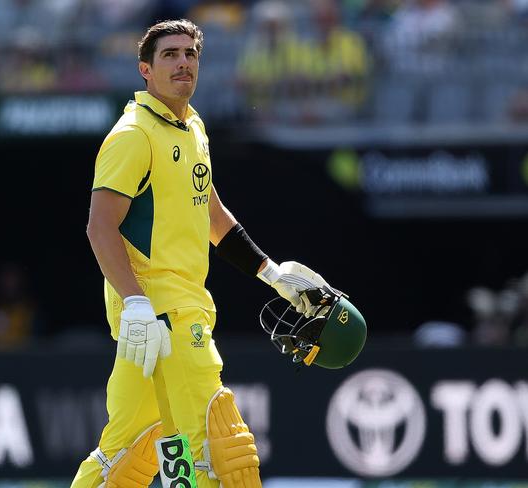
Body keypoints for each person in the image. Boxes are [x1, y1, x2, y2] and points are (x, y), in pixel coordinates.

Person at [70, 19, 334, 488]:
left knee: (126, 453)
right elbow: (99, 226)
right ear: (144, 70)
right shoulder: (134, 134)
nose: (183, 62)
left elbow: (211, 214)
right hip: (161, 311)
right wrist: (136, 302)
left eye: (190, 54)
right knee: (218, 444)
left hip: (163, 312)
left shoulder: (192, 128)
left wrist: (271, 273)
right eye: (169, 54)